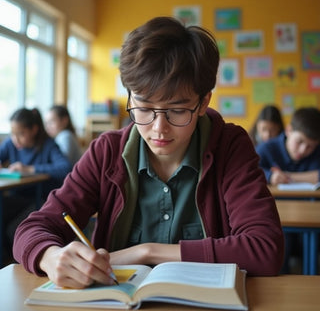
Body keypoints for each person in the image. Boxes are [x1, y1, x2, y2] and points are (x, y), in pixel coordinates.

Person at [13, 16, 284, 289]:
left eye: (177, 110)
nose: (158, 129)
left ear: (203, 103)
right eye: (143, 108)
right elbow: (32, 229)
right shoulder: (107, 151)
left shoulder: (229, 145)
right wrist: (51, 256)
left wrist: (147, 252)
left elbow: (265, 248)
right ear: (130, 97)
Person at [0, 107, 72, 263]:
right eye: (13, 134)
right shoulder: (11, 145)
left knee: (16, 229)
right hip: (16, 197)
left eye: (21, 134)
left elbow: (65, 168)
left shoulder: (48, 145)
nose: (16, 139)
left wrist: (30, 169)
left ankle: (17, 263)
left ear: (34, 129)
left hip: (41, 199)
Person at [256, 107, 320, 186]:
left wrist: (287, 176)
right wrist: (270, 176)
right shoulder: (265, 148)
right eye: (299, 141)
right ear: (288, 130)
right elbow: (249, 171)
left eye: (310, 146)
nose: (302, 150)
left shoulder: (317, 150)